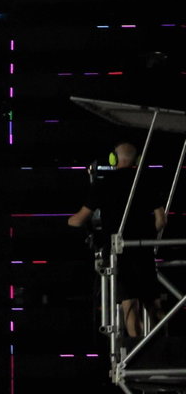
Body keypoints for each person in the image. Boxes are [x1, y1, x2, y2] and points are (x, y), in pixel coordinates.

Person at [69, 141, 167, 339]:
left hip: (119, 252)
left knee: (129, 305)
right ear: (137, 160)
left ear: (114, 159)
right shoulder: (145, 182)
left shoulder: (103, 183)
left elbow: (79, 220)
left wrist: (70, 221)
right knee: (153, 304)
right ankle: (164, 350)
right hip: (143, 251)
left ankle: (138, 352)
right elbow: (161, 220)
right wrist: (146, 234)